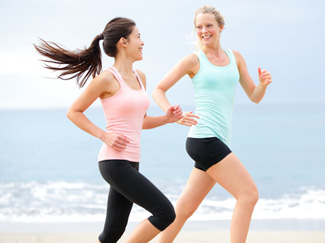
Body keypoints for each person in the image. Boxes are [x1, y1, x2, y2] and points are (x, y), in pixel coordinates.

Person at [34, 17, 182, 243]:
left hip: (132, 161)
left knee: (112, 234)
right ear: (124, 42)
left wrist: (167, 119)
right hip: (114, 162)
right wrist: (103, 135)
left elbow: (139, 121)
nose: (143, 42)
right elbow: (74, 112)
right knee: (165, 212)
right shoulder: (106, 79)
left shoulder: (140, 77)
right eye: (138, 36)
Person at [152, 5, 272, 243]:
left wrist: (263, 85)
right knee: (249, 195)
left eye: (209, 26)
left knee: (184, 209)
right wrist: (172, 113)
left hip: (216, 140)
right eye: (199, 27)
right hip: (203, 138)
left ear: (220, 27)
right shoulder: (193, 60)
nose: (204, 31)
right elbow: (158, 89)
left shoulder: (235, 58)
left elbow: (254, 96)